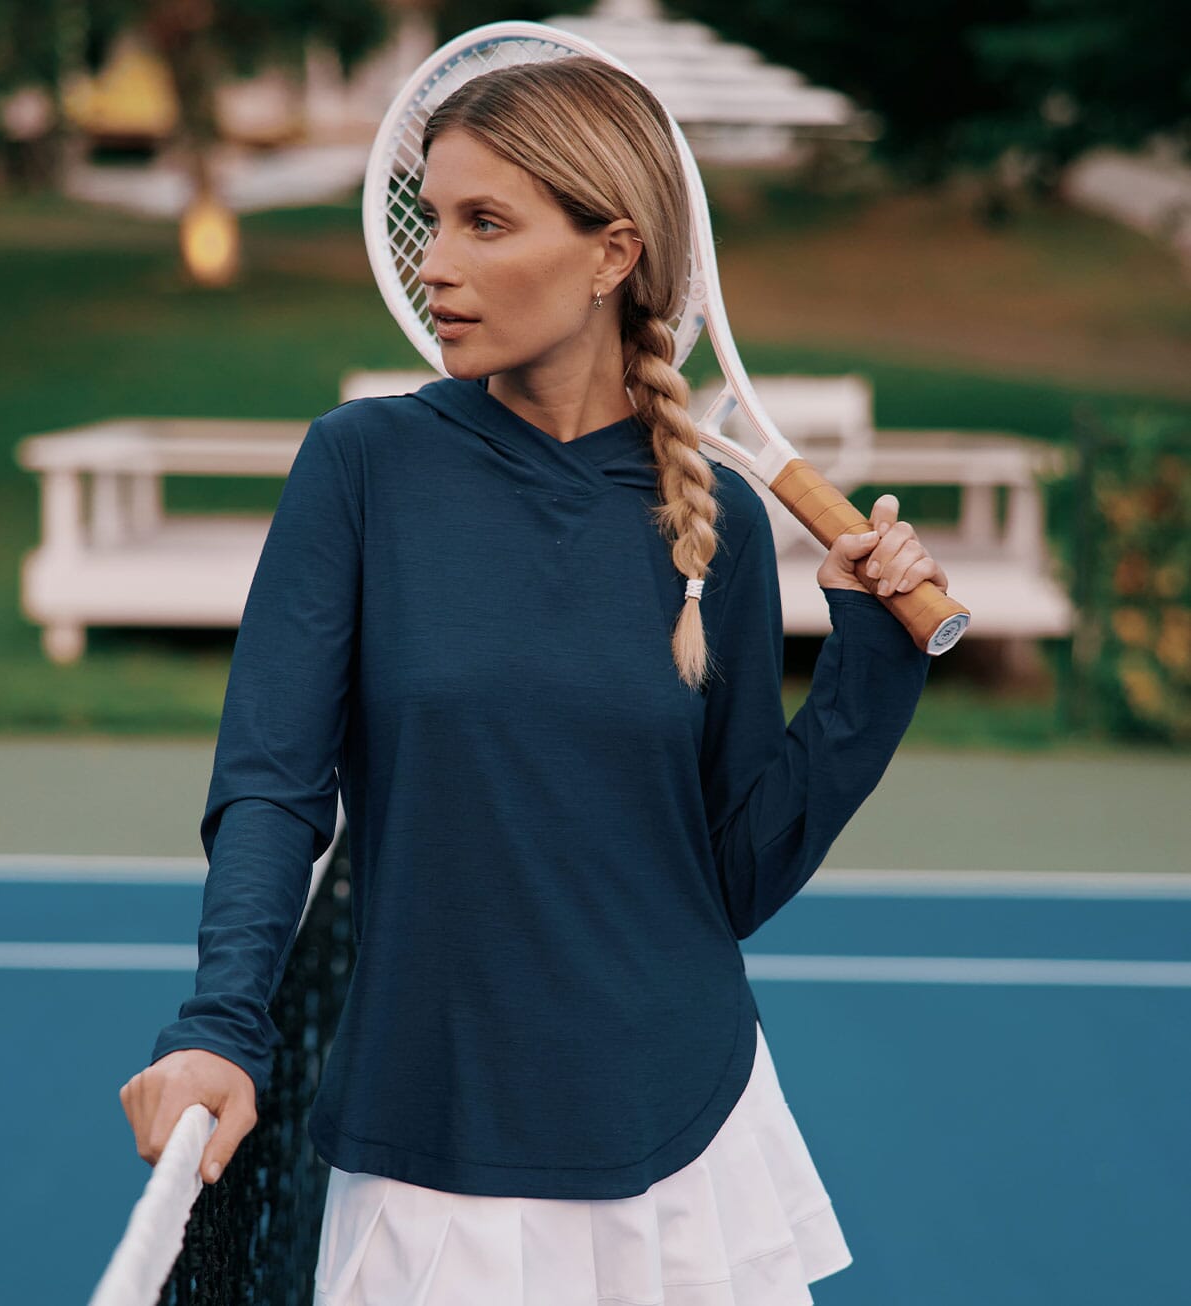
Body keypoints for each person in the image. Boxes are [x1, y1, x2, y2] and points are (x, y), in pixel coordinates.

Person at [121, 56, 947, 1305]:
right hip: (428, 1140)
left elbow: (730, 876)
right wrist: (220, 1022)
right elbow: (272, 790)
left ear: (612, 252)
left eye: (484, 223)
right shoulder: (362, 468)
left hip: (687, 1136)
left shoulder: (712, 516)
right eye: (430, 220)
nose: (432, 264)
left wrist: (869, 661)